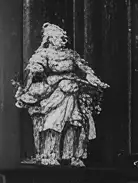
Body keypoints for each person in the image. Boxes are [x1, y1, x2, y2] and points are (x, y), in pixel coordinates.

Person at [15, 23, 107, 166]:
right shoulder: (43, 54)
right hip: (53, 92)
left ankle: (71, 155)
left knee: (75, 122)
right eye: (59, 37)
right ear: (50, 39)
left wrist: (93, 79)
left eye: (64, 38)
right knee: (53, 122)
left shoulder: (71, 54)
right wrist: (35, 70)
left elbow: (84, 68)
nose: (63, 40)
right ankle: (49, 154)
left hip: (72, 89)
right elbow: (32, 70)